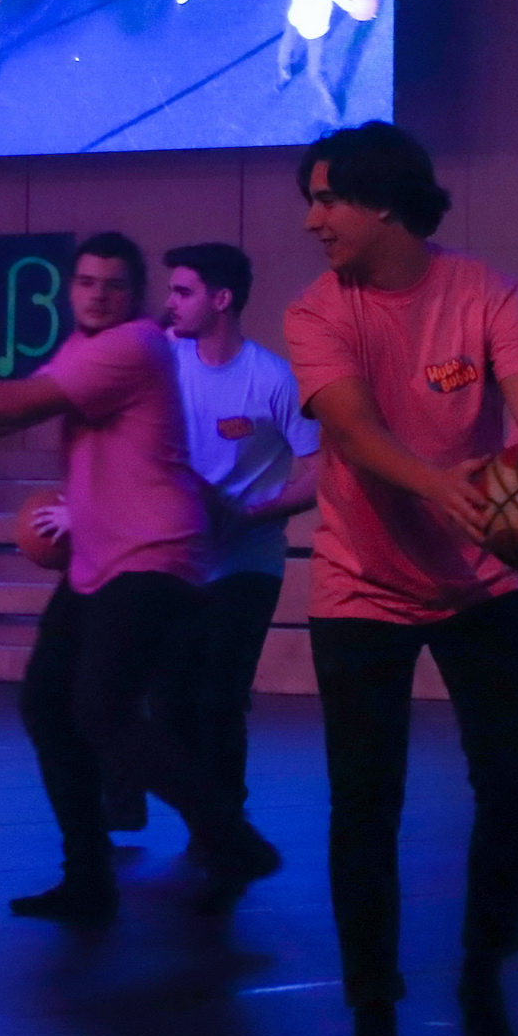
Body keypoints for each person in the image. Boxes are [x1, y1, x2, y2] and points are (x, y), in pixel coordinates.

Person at [283, 123, 518, 1036]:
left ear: (385, 203)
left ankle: (483, 968)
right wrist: (437, 483)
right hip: (360, 581)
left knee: (517, 786)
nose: (312, 219)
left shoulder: (485, 293)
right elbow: (353, 430)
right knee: (364, 805)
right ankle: (371, 1006)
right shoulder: (316, 311)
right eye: (310, 199)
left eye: (328, 198)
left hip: (480, 577)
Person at [0, 234, 280, 924]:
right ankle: (90, 878)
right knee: (48, 704)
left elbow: (19, 406)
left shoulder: (134, 345)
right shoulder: (83, 349)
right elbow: (25, 409)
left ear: (135, 296)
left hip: (153, 555)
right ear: (70, 289)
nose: (98, 295)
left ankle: (230, 836)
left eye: (115, 284)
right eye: (87, 282)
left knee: (103, 710)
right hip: (102, 561)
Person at [160, 243, 320, 823]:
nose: (170, 303)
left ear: (221, 299)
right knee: (168, 700)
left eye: (184, 292)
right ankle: (195, 813)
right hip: (178, 560)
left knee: (219, 697)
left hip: (248, 560)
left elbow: (323, 471)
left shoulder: (272, 379)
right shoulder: (162, 363)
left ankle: (225, 824)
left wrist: (250, 514)